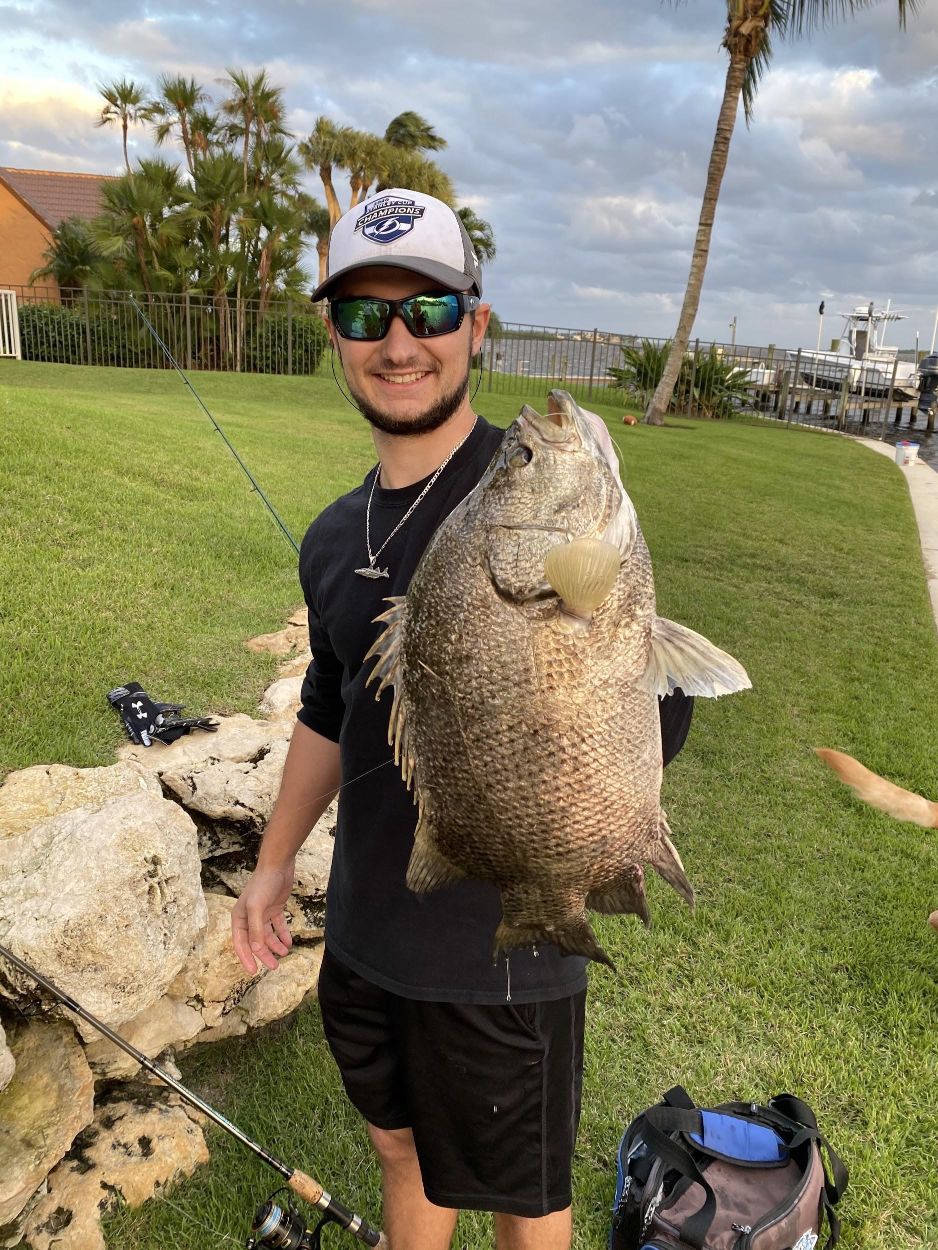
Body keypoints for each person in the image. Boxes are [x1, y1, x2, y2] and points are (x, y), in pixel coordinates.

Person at [231, 187, 693, 1250]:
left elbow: (654, 723)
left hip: (501, 955)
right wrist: (271, 865)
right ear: (335, 337)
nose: (398, 342)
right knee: (403, 1153)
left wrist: (603, 631)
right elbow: (326, 704)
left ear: (473, 325)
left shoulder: (537, 499)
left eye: (428, 311)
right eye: (364, 315)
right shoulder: (331, 531)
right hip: (364, 933)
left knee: (521, 1199)